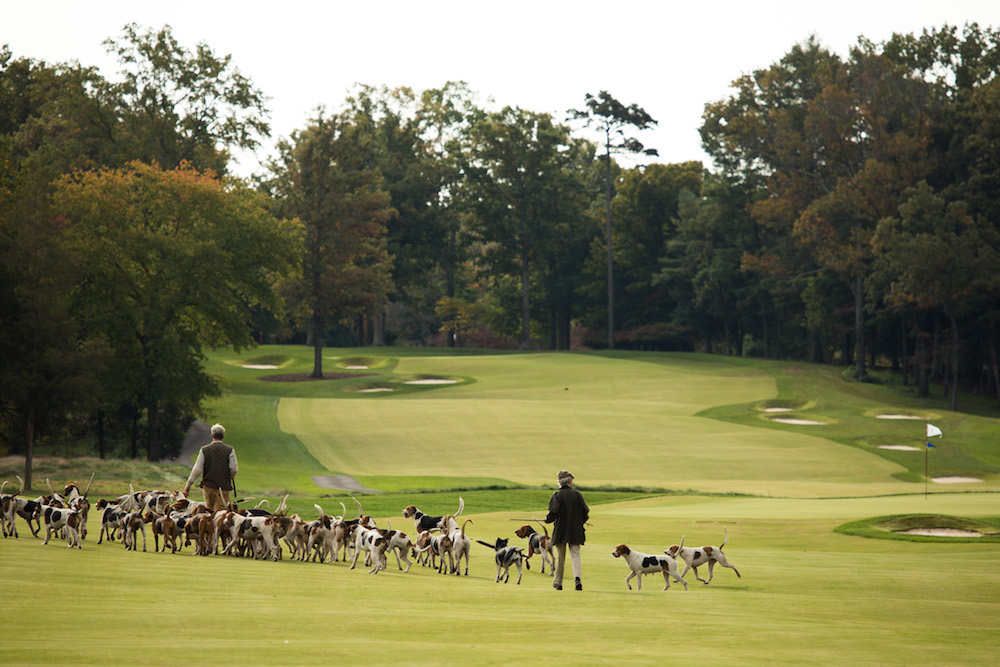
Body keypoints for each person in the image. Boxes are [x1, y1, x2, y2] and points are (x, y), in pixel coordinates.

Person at [544, 469, 589, 591]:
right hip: (576, 530)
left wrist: (547, 520)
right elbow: (585, 513)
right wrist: (579, 522)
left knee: (560, 558)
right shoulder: (577, 495)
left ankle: (558, 582)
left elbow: (553, 512)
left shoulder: (557, 495)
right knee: (576, 555)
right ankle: (577, 579)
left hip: (561, 531)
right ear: (569, 481)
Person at [182, 423, 238, 512]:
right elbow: (234, 469)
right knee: (221, 514)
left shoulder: (204, 450)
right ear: (223, 436)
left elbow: (197, 469)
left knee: (209, 511)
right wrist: (229, 477)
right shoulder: (230, 450)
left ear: (212, 435)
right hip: (224, 487)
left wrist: (188, 485)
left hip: (209, 487)